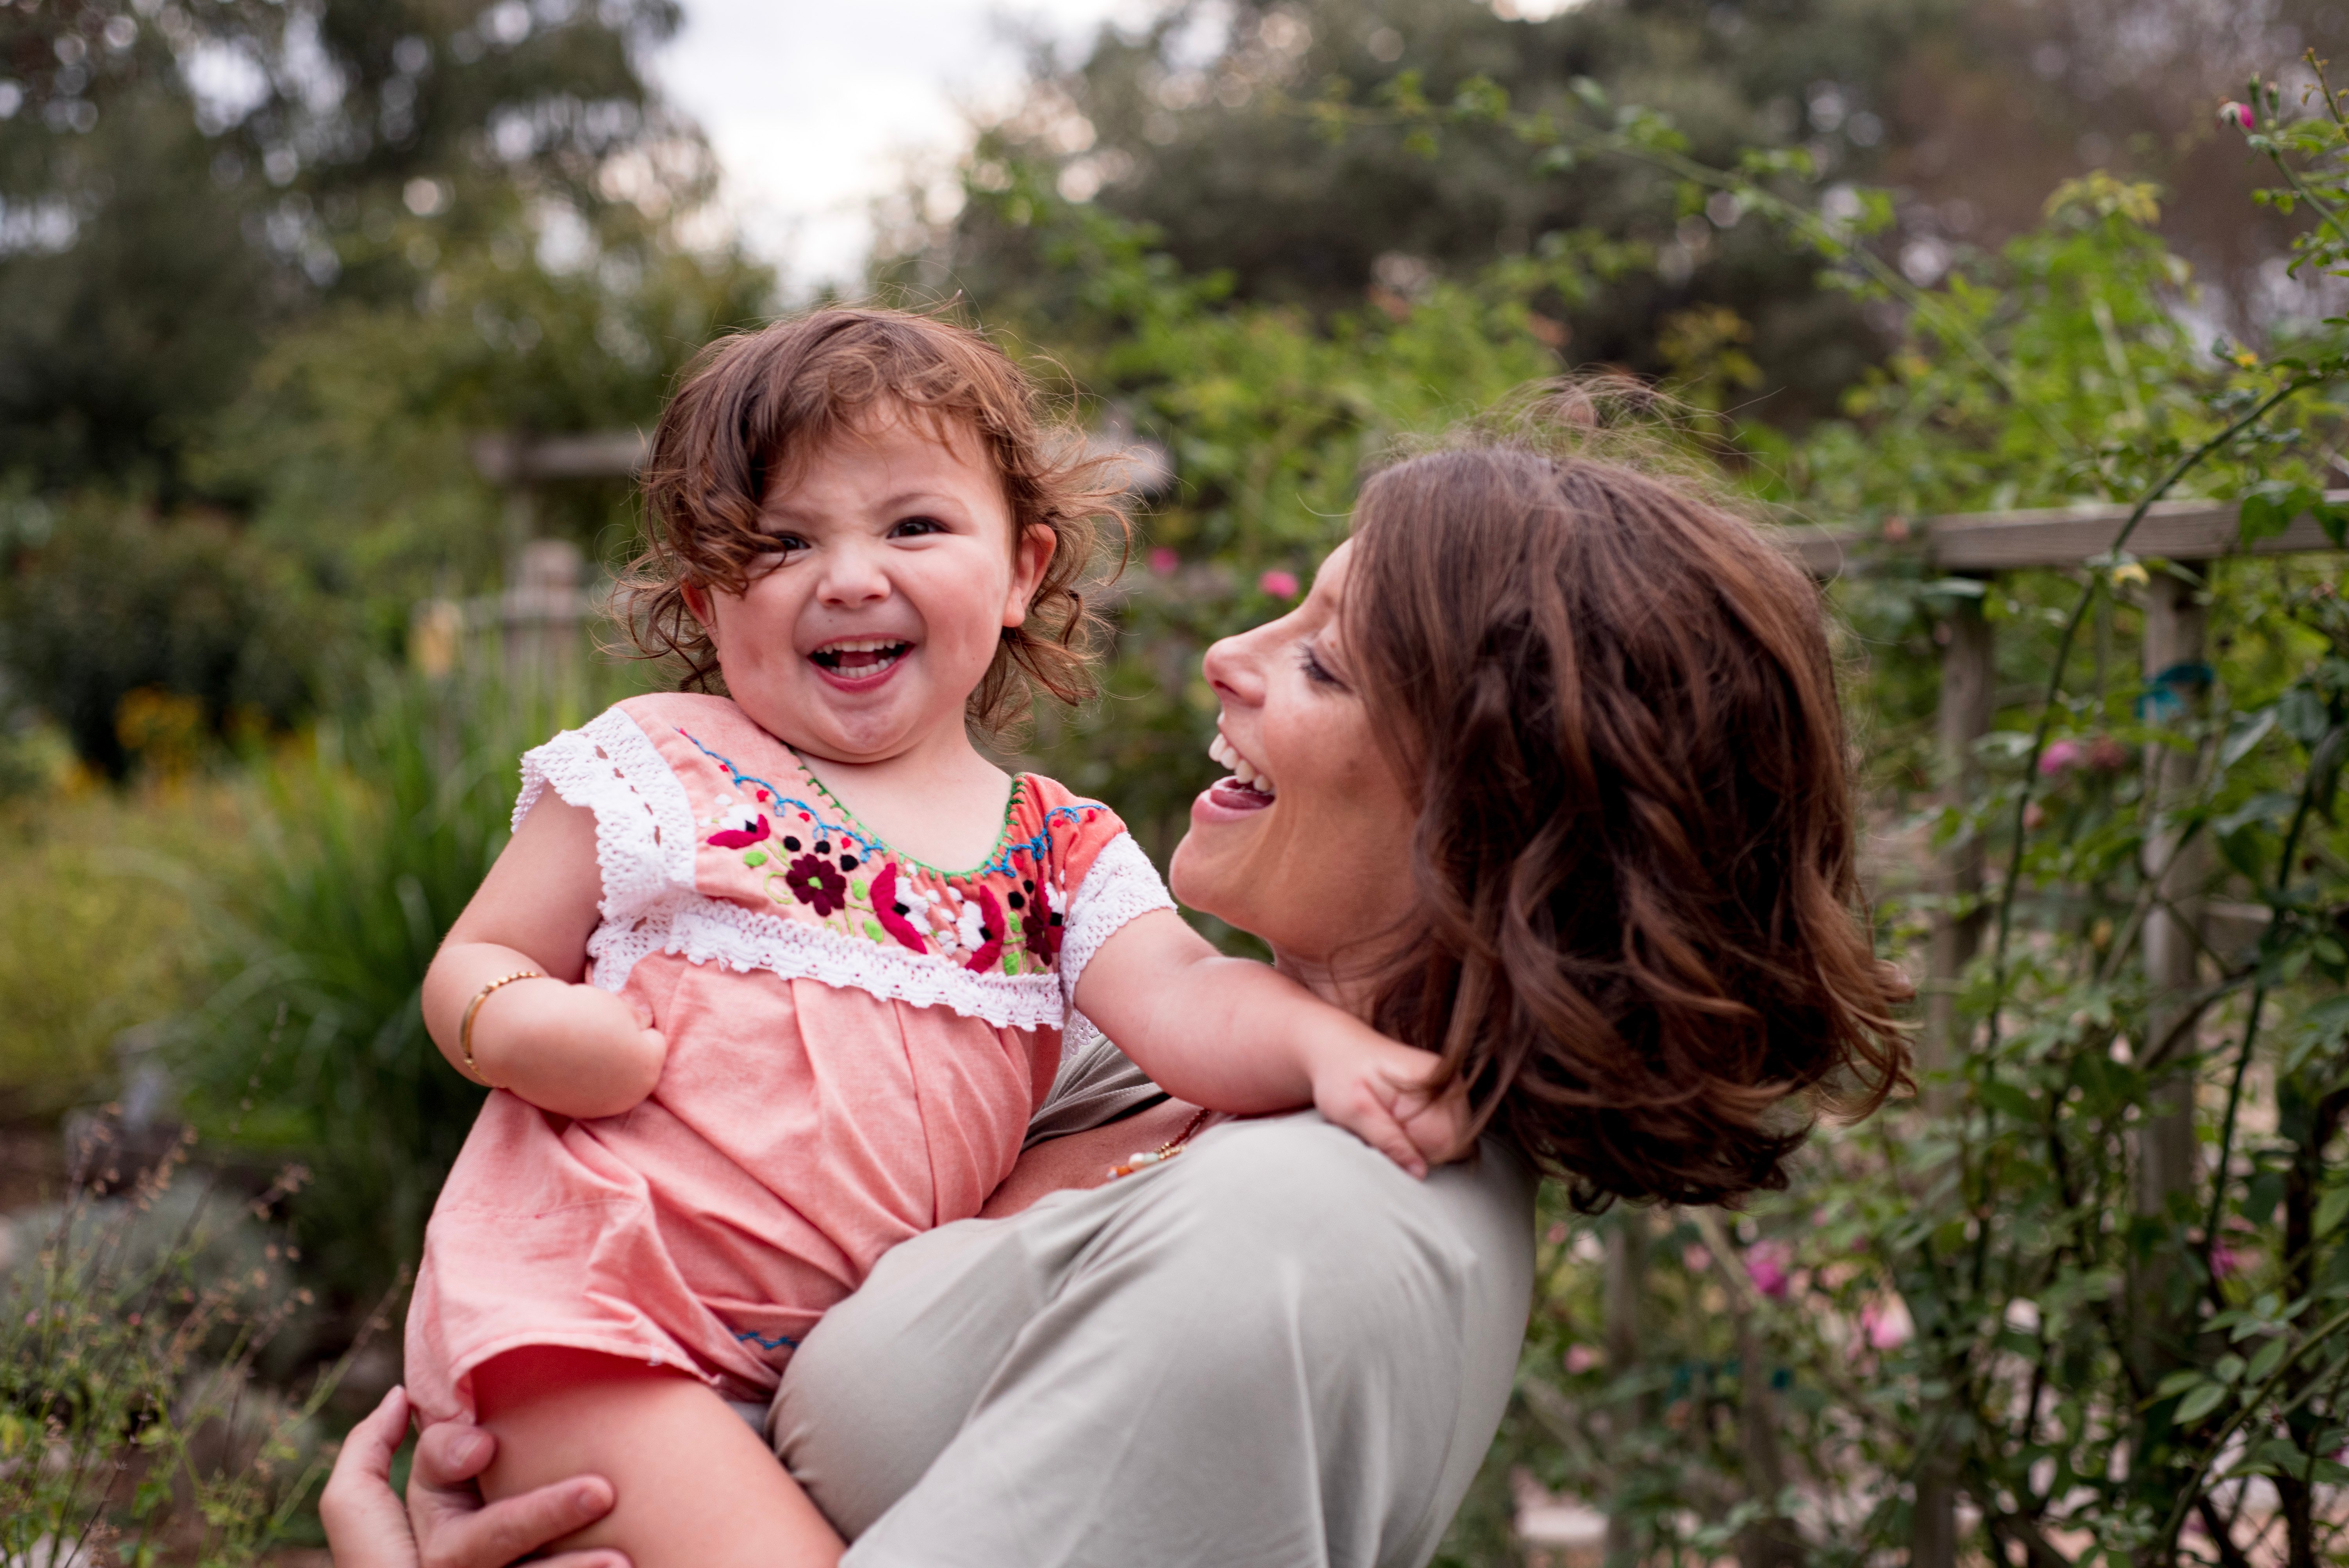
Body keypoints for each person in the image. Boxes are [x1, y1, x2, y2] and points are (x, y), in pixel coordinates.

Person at [323, 384, 1910, 1568]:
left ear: (1498, 806)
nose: (1229, 653)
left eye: (1325, 658)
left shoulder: (1300, 1241)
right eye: (786, 542)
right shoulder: (1135, 1061)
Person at [398, 308, 1464, 1568]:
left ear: (1021, 571)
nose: (850, 577)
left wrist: (1333, 1053)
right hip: (597, 1322)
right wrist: (528, 1025)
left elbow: (1191, 998)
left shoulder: (1057, 852)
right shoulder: (662, 768)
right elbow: (475, 960)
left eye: (913, 526)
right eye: (784, 542)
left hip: (794, 1367)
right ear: (707, 602)